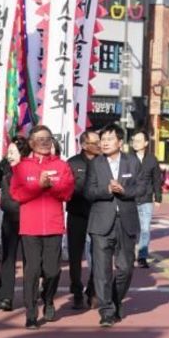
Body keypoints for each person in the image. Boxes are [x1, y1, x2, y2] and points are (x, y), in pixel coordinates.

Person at [11, 125, 74, 330]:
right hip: (30, 227)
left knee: (52, 271)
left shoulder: (61, 166)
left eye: (47, 138)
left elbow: (67, 193)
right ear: (31, 143)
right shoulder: (21, 167)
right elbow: (17, 195)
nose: (44, 142)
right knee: (32, 271)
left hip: (54, 226)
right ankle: (31, 313)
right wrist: (38, 186)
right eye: (39, 139)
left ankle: (48, 299)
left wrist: (50, 186)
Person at [86, 123, 145, 328]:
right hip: (101, 223)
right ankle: (106, 311)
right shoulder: (95, 164)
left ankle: (115, 299)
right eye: (103, 140)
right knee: (102, 270)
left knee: (126, 268)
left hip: (126, 221)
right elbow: (89, 191)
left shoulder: (132, 162)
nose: (105, 143)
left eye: (109, 139)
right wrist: (107, 190)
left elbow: (141, 188)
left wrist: (124, 191)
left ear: (120, 142)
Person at [0, 136, 29, 312]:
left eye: (13, 152)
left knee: (30, 259)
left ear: (23, 153)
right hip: (9, 218)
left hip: (28, 218)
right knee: (8, 257)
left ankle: (30, 294)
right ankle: (6, 296)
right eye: (8, 152)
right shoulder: (4, 167)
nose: (9, 155)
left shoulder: (29, 167)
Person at [66, 131, 101, 310]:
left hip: (98, 215)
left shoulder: (104, 162)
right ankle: (77, 291)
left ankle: (93, 290)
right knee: (75, 256)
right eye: (95, 143)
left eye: (99, 142)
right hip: (77, 214)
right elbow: (68, 188)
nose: (99, 145)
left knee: (99, 255)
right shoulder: (72, 163)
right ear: (85, 145)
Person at [130, 130, 162, 269]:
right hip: (130, 199)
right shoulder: (127, 159)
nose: (135, 143)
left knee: (145, 229)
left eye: (138, 141)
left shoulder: (152, 159)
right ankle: (130, 254)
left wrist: (158, 197)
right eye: (134, 140)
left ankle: (142, 256)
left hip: (146, 199)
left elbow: (156, 179)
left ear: (146, 143)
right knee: (131, 230)